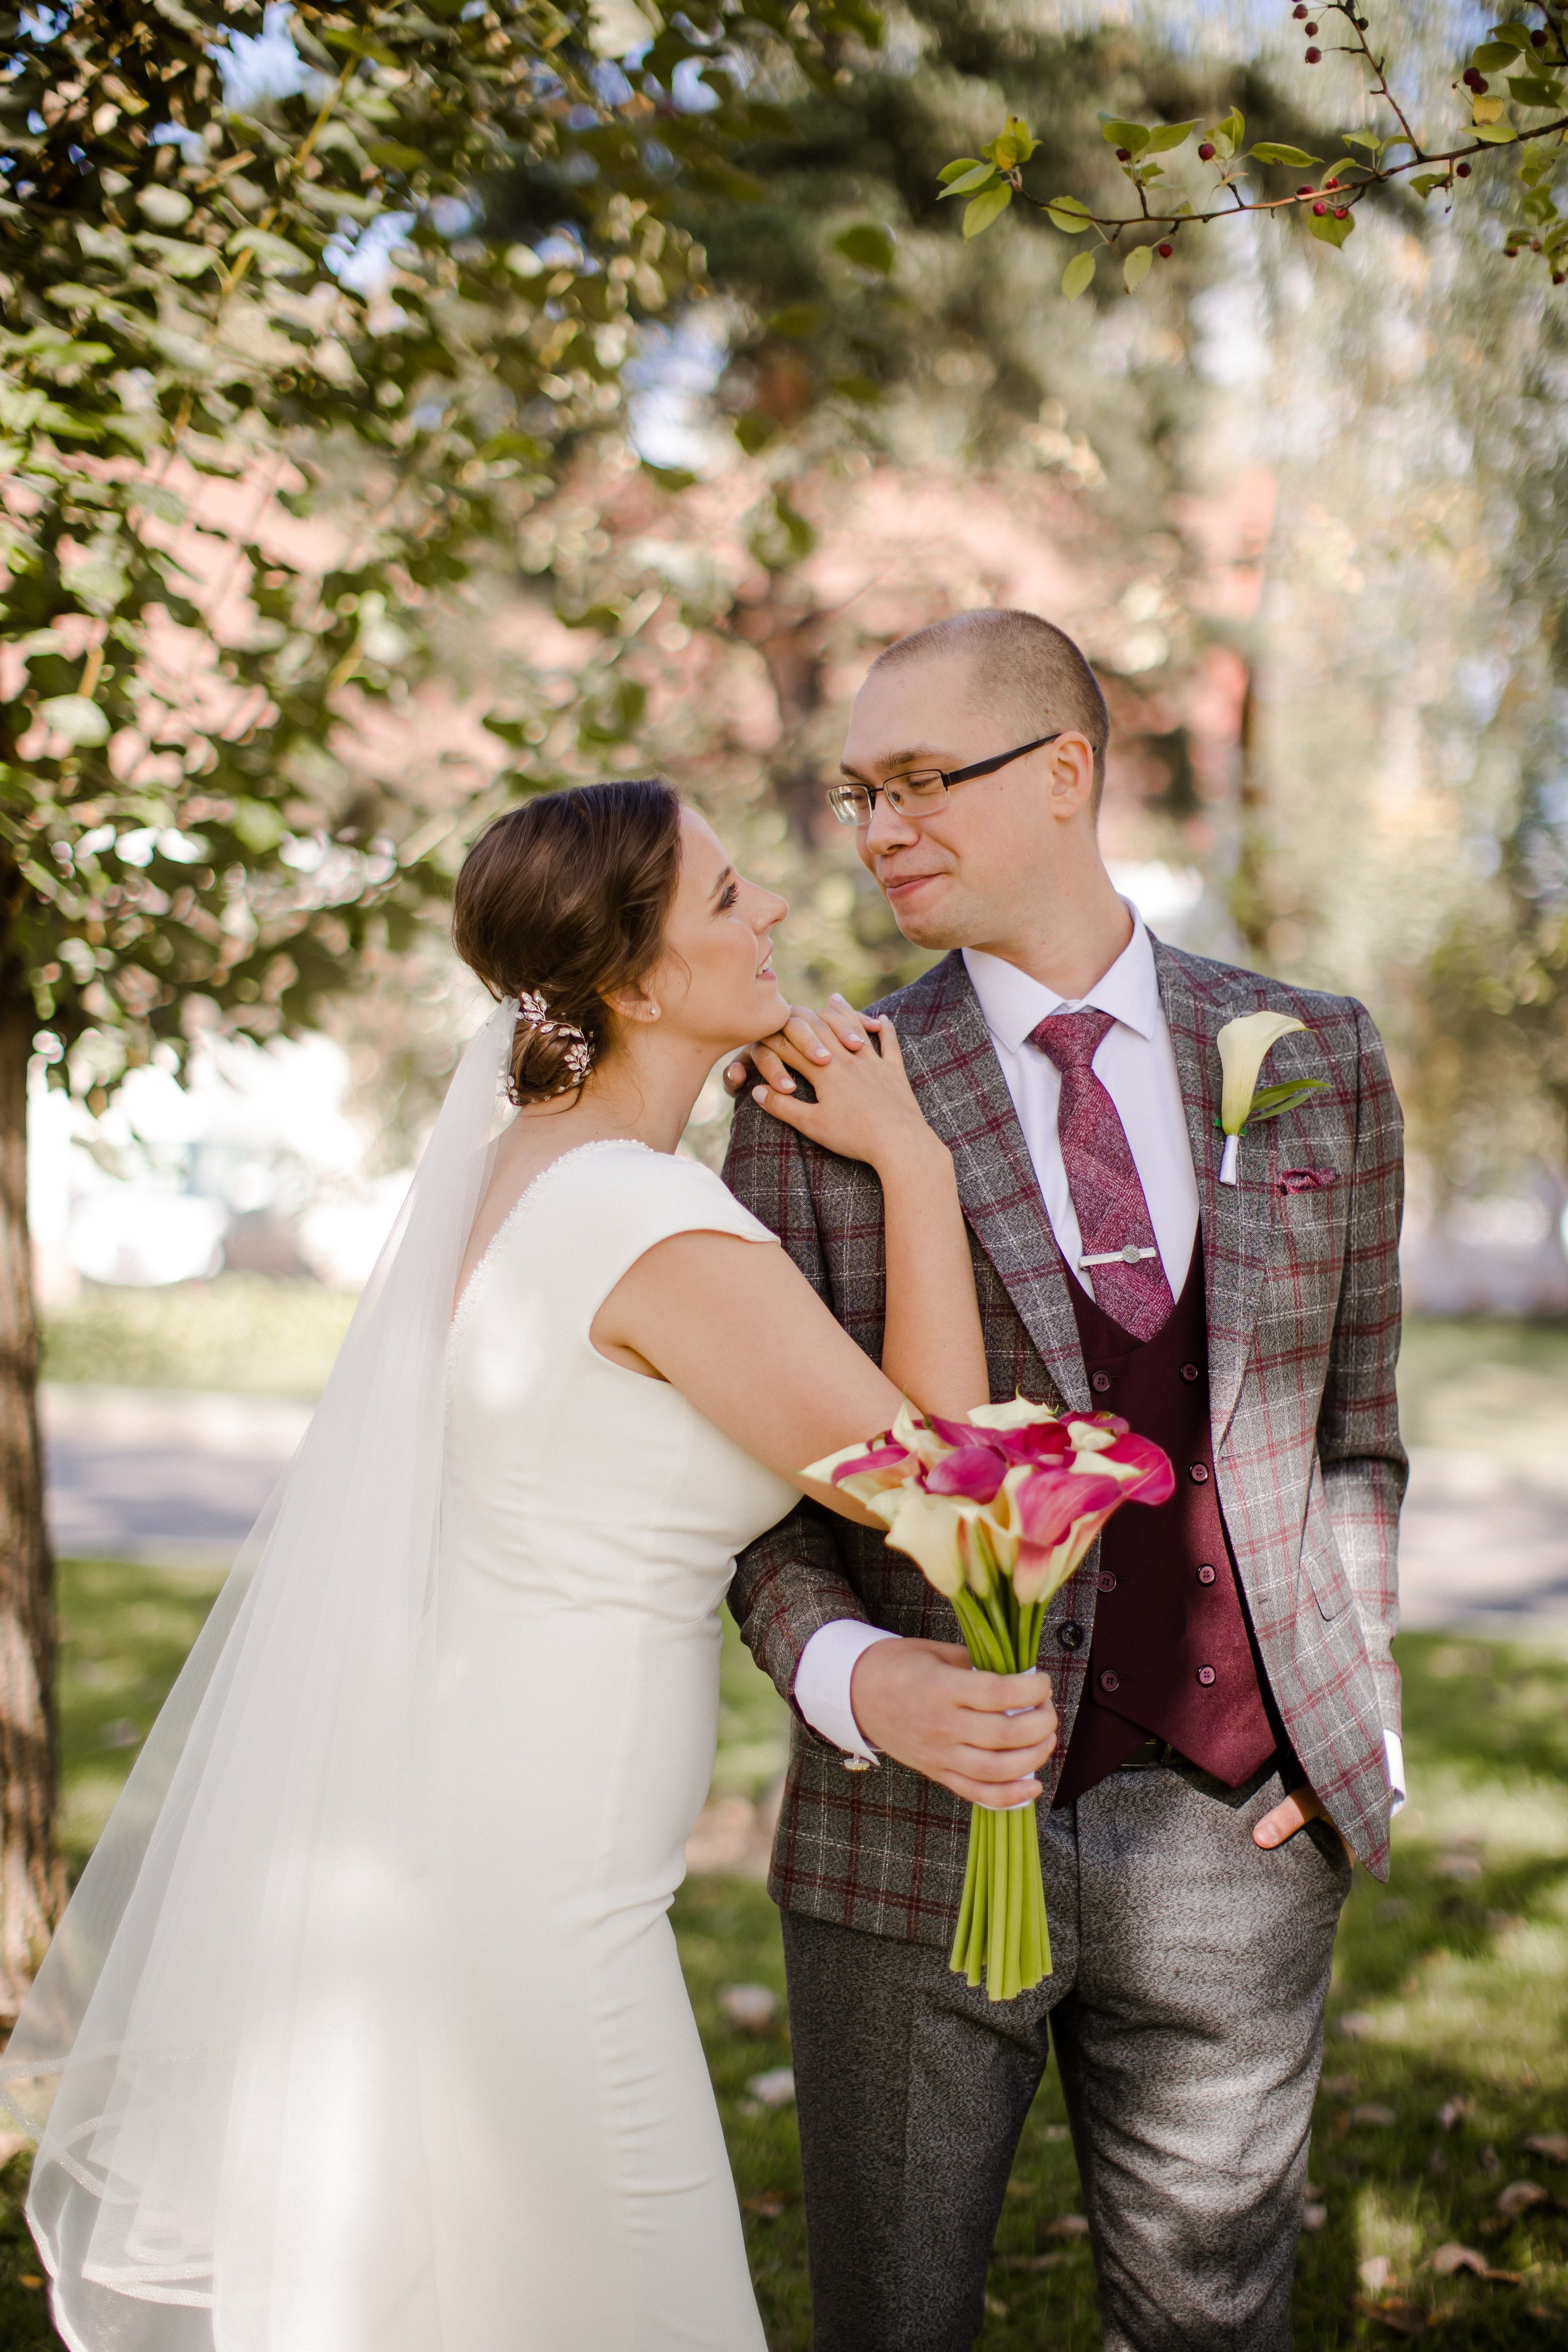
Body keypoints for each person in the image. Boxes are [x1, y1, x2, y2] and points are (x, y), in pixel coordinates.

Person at [1, 777, 1052, 2352]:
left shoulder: (532, 1176)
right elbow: (957, 1499)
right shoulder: (646, 1224)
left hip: (484, 1848)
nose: (768, 909)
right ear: (631, 984)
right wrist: (915, 1166)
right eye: (722, 897)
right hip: (539, 1900)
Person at [724, 608, 1407, 2352]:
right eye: (856, 794)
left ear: (1067, 775)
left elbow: (1357, 1436)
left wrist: (1349, 1731)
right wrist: (857, 1676)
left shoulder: (1314, 1052)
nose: (878, 832)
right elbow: (753, 1501)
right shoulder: (819, 1092)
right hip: (912, 1838)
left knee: (1212, 2327)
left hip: (1241, 1833)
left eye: (920, 784)